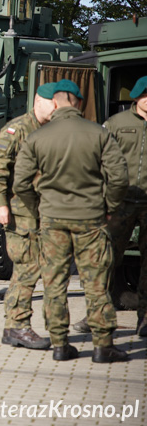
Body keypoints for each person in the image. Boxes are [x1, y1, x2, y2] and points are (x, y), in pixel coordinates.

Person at [13, 79, 130, 363]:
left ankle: (60, 345)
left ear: (54, 104)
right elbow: (119, 178)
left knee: (54, 284)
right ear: (78, 102)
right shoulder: (98, 133)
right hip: (91, 220)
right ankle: (103, 347)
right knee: (96, 284)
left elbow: (21, 183)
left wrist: (39, 208)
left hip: (52, 221)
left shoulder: (37, 137)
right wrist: (110, 207)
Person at [0, 83, 57, 348]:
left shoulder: (51, 129)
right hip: (21, 213)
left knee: (37, 270)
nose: (57, 107)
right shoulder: (18, 129)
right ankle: (17, 326)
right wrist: (1, 203)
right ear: (38, 100)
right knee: (27, 270)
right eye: (53, 102)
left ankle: (18, 327)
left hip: (45, 213)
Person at [103, 75, 147, 338]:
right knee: (107, 259)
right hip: (121, 202)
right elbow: (100, 161)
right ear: (137, 97)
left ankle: (144, 318)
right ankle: (100, 312)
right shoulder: (116, 124)